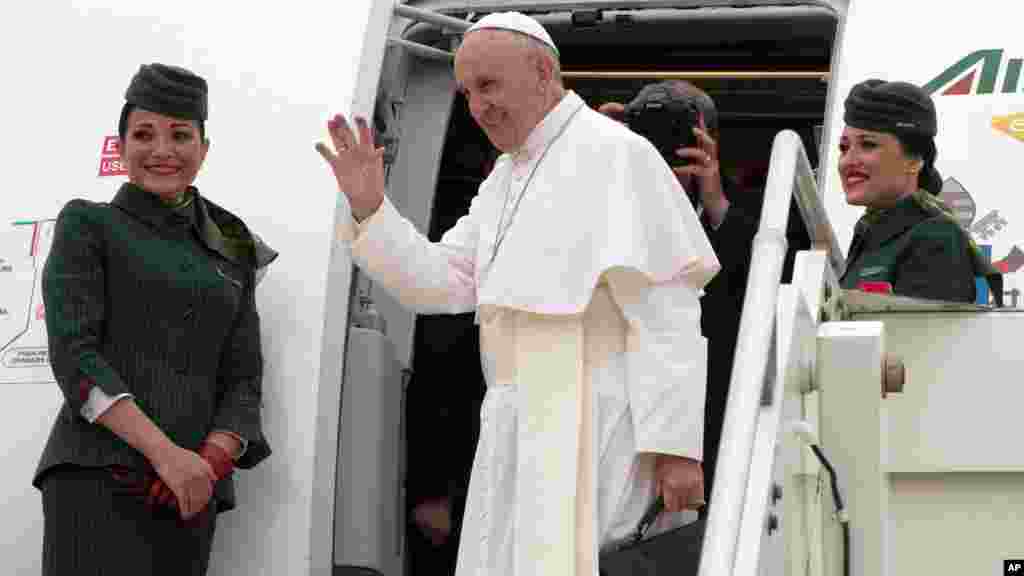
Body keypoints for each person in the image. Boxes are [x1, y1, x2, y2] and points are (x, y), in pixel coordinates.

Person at [317, 12, 719, 576]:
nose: (477, 106)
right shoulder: (505, 176)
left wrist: (677, 448)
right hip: (514, 418)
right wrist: (370, 209)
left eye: (489, 85)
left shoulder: (617, 153)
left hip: (595, 417)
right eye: (466, 92)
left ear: (543, 72)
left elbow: (667, 313)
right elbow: (442, 282)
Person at [35, 63, 277, 576]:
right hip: (98, 475)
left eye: (180, 135)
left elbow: (244, 378)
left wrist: (207, 463)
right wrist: (165, 455)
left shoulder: (230, 249)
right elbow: (76, 358)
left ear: (204, 150)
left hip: (192, 491)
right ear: (120, 148)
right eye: (143, 134)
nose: (162, 150)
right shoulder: (89, 223)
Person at [599, 81, 810, 504]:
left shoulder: (753, 214)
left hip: (717, 413)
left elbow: (771, 286)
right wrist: (591, 149)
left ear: (708, 139)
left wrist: (714, 200)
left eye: (675, 132)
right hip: (617, 417)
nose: (663, 147)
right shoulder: (606, 203)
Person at [838, 79, 1002, 303]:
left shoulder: (935, 237)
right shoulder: (870, 231)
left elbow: (930, 336)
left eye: (868, 145)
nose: (848, 160)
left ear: (915, 160)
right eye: (844, 147)